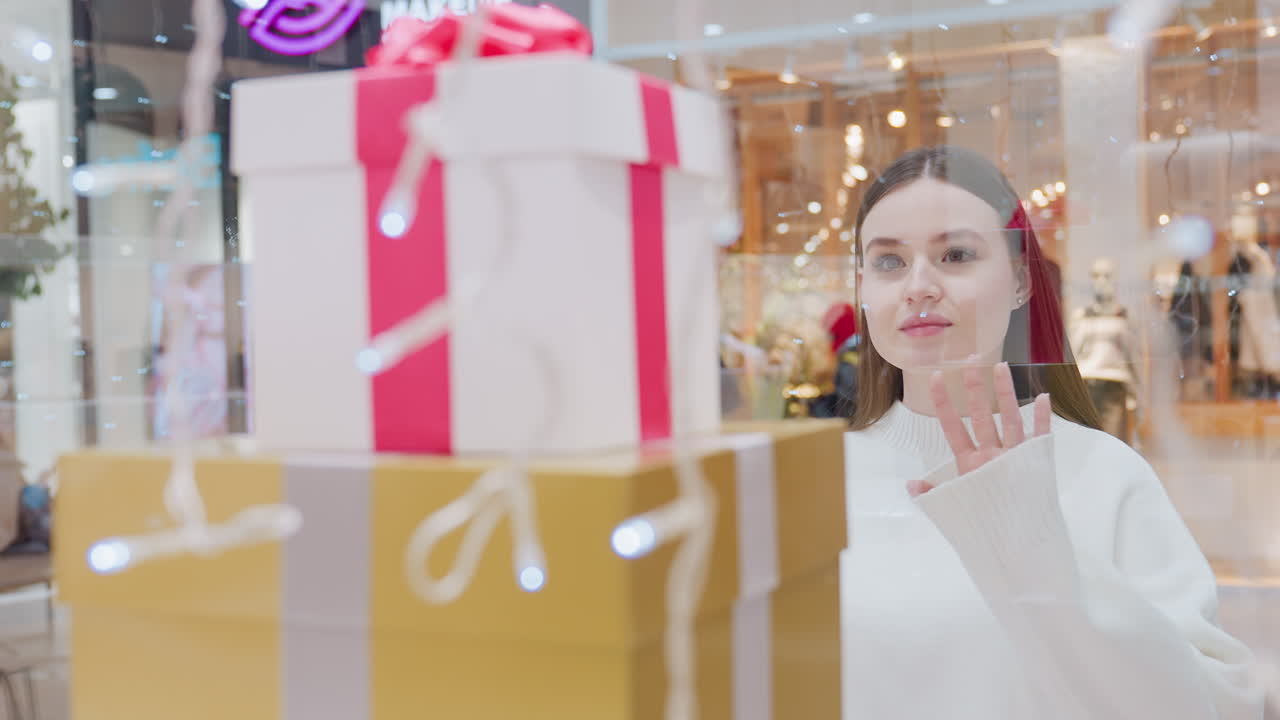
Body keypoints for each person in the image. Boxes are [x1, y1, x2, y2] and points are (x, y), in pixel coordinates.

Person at [840, 146, 1261, 719]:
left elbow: (1219, 704)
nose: (918, 286)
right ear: (863, 287)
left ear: (1020, 281)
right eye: (889, 262)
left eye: (956, 254)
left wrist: (1030, 547)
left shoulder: (1104, 473)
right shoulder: (819, 480)